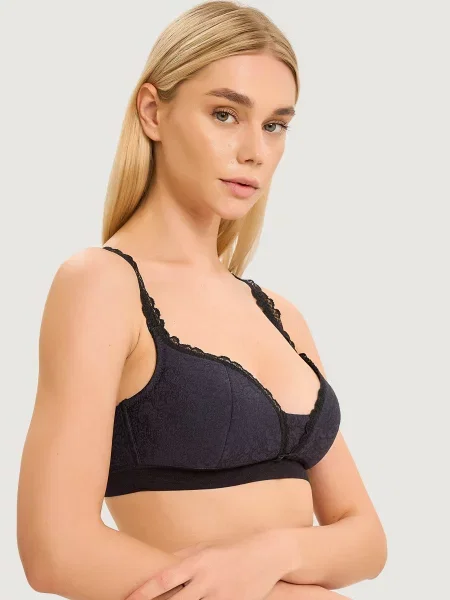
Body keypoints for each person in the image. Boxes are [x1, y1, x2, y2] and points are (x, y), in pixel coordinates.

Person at [17, 2, 387, 599]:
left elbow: (367, 541)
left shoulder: (281, 316)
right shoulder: (102, 286)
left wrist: (269, 555)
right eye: (224, 114)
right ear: (152, 112)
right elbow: (56, 550)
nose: (254, 150)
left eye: (275, 125)